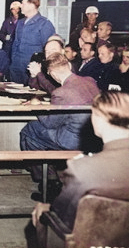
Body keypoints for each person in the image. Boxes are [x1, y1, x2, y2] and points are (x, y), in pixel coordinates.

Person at [32, 91, 129, 232]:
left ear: (98, 119)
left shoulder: (81, 168)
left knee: (41, 210)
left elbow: (61, 213)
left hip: (91, 237)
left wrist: (44, 209)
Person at [20, 53, 100, 194]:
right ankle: (51, 175)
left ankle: (49, 183)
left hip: (72, 140)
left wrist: (36, 106)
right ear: (68, 65)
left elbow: (50, 124)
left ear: (52, 74)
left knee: (30, 130)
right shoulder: (90, 81)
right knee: (38, 132)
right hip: (94, 137)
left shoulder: (62, 92)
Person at [9, 0, 56, 85]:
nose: (20, 6)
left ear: (32, 5)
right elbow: (15, 43)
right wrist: (13, 59)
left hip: (31, 67)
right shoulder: (20, 22)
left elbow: (48, 47)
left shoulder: (44, 23)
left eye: (23, 3)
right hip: (16, 65)